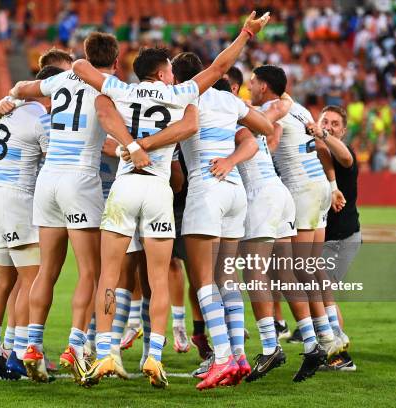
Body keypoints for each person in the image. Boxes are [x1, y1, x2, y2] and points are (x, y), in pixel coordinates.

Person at [72, 10, 272, 389]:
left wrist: (131, 144)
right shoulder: (180, 93)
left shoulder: (123, 90)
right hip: (159, 190)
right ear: (164, 73)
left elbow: (81, 65)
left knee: (110, 274)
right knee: (160, 277)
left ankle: (104, 354)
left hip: (126, 184)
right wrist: (246, 32)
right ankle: (155, 355)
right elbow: (219, 67)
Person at [7, 34, 116, 384]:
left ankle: (33, 347)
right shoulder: (108, 85)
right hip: (80, 180)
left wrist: (11, 97)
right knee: (90, 272)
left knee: (46, 271)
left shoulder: (60, 79)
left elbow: (23, 88)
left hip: (47, 179)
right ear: (114, 61)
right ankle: (76, 347)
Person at [251, 65, 347, 361]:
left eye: (253, 83)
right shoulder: (301, 109)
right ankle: (332, 332)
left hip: (301, 189)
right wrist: (331, 186)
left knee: (301, 269)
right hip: (317, 185)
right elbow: (320, 148)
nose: (250, 87)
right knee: (312, 266)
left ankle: (328, 340)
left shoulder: (272, 109)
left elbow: (261, 135)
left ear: (265, 87)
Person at [0, 68, 51, 380]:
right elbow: (51, 160)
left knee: (4, 280)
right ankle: (17, 353)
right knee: (31, 279)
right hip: (17, 200)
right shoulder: (40, 115)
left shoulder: (5, 106)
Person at [307, 105, 359, 372]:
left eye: (335, 123)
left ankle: (340, 354)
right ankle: (329, 344)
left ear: (343, 130)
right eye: (324, 121)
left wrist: (324, 135)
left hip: (341, 237)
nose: (328, 125)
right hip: (323, 235)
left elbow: (347, 159)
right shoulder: (315, 149)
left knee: (322, 290)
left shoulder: (342, 154)